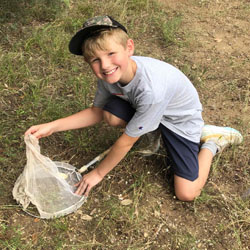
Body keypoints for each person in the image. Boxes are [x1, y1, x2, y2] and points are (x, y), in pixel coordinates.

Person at [25, 15, 243, 201]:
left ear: (129, 47)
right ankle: (149, 127)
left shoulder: (151, 91)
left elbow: (126, 142)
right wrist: (52, 127)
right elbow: (96, 112)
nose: (105, 65)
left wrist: (98, 174)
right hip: (150, 110)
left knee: (187, 193)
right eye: (95, 60)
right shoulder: (110, 75)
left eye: (111, 54)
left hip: (179, 121)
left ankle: (212, 142)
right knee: (110, 114)